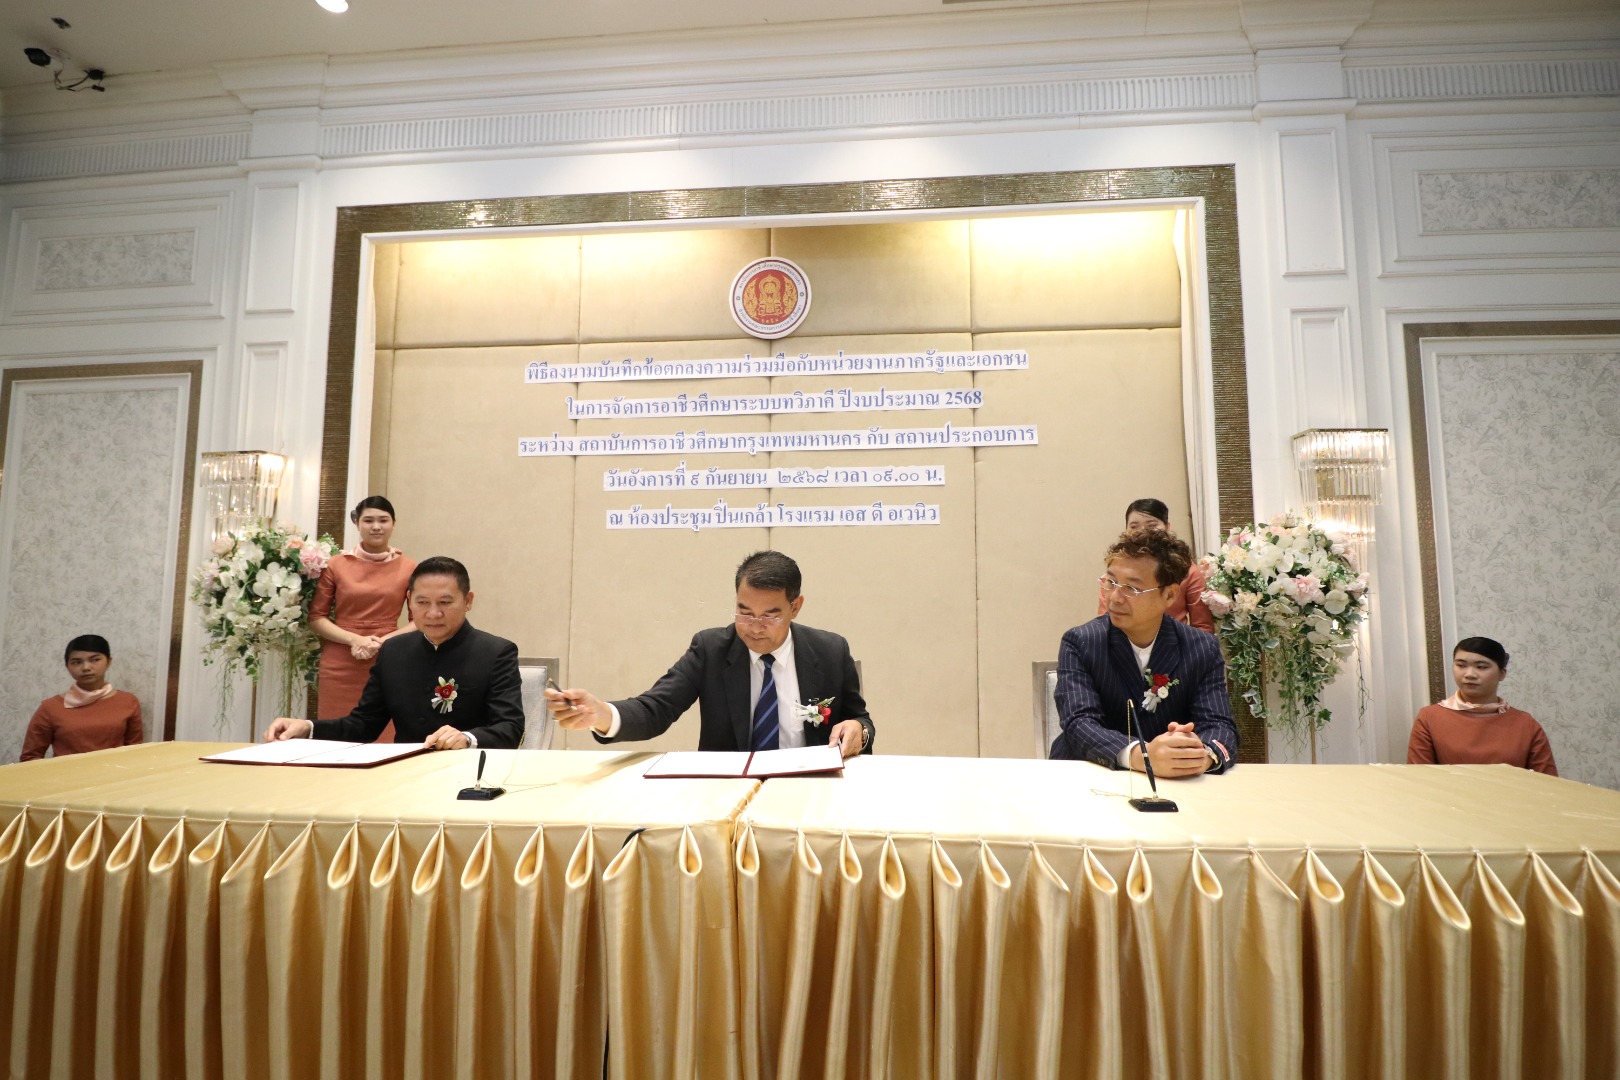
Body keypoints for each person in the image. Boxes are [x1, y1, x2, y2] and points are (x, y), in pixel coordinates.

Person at [547, 550, 875, 757]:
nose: (755, 627)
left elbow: (861, 721)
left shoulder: (830, 651)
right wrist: (602, 714)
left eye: (770, 616)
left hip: (811, 790)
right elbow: (656, 709)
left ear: (796, 607)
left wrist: (858, 731)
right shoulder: (711, 649)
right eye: (744, 612)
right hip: (726, 793)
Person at [264, 556, 524, 749]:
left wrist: (467, 738)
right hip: (404, 773)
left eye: (445, 602)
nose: (433, 613)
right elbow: (363, 725)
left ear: (468, 601)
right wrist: (307, 728)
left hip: (468, 772)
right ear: (409, 601)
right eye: (422, 602)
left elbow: (510, 728)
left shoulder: (496, 652)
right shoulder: (394, 651)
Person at [1052, 529, 1237, 775]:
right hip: (1091, 774)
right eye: (1110, 583)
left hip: (1174, 781)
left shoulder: (1201, 648)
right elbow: (1079, 723)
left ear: (1169, 595)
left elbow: (1219, 725)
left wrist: (1199, 755)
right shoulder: (1081, 642)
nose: (1114, 598)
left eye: (1131, 588)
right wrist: (1141, 756)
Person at [309, 495, 417, 743]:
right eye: (368, 520)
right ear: (357, 523)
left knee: (386, 736)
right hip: (340, 660)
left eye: (383, 520)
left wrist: (381, 642)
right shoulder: (336, 564)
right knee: (335, 736)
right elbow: (316, 617)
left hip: (389, 657)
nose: (376, 526)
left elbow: (419, 621)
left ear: (393, 523)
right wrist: (355, 640)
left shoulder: (409, 567)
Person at [1407, 637, 1557, 774]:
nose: (1469, 674)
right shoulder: (1430, 718)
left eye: (1481, 667)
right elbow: (1419, 778)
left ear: (1502, 674)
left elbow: (1548, 783)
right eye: (1461, 665)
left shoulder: (1525, 724)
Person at [1094, 498, 1214, 633]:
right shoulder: (1116, 570)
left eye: (1151, 525)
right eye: (1134, 527)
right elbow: (1102, 622)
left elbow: (1203, 626)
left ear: (1167, 527)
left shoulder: (1188, 570)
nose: (1143, 531)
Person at [21, 635, 143, 761]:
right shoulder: (50, 707)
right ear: (67, 666)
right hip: (67, 773)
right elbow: (30, 757)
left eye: (95, 660)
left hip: (115, 773)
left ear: (109, 662)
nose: (86, 668)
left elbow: (135, 753)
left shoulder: (128, 701)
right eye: (77, 662)